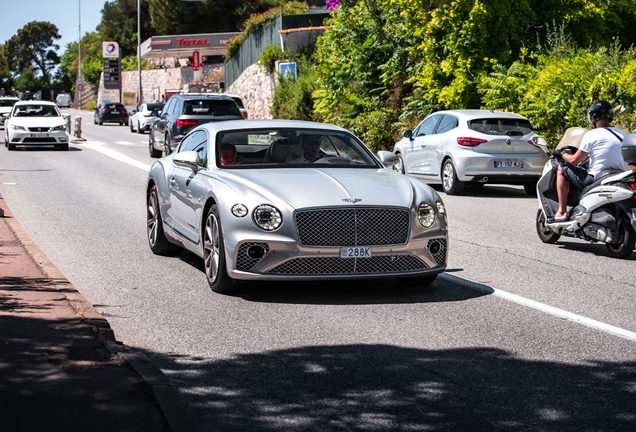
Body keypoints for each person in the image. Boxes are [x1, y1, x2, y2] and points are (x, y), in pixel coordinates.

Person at [553, 100, 628, 221]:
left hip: (596, 178)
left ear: (592, 117)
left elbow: (574, 161)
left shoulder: (592, 135)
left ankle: (562, 212)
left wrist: (562, 154)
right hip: (619, 177)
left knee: (562, 169)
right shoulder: (622, 134)